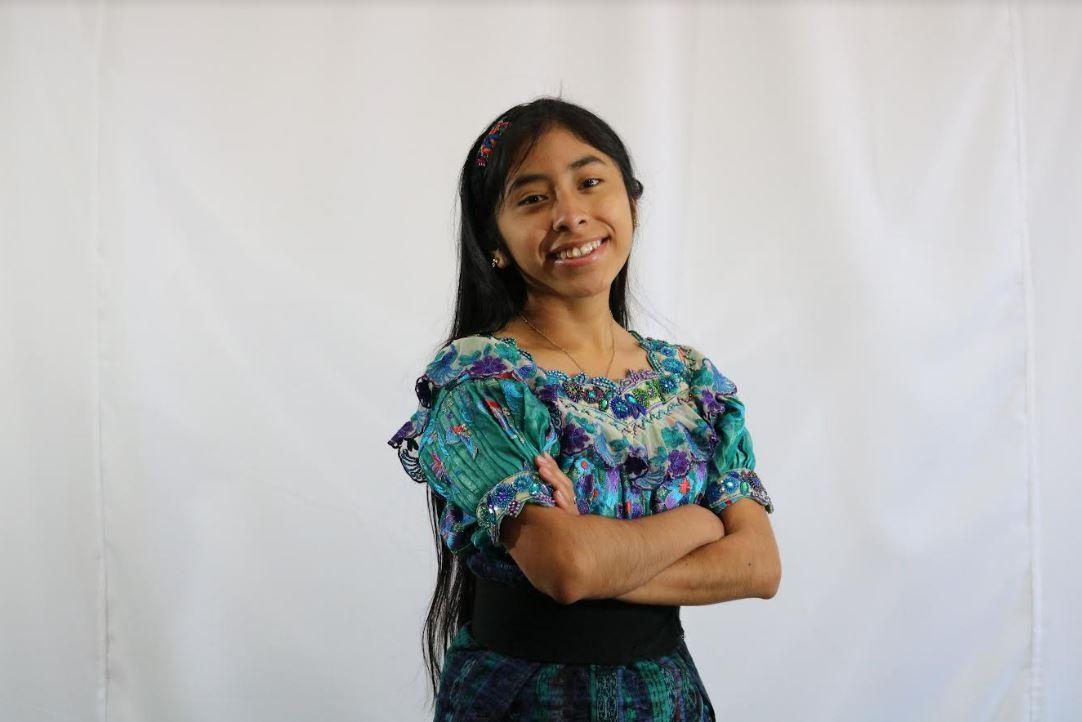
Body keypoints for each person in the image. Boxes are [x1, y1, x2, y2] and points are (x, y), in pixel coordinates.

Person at [387, 96, 779, 721]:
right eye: (533, 198)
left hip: (666, 699)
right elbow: (567, 566)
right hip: (524, 702)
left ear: (631, 204)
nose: (571, 215)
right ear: (495, 239)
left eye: (590, 182)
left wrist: (602, 561)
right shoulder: (484, 382)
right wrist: (700, 524)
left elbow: (758, 566)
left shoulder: (692, 381)